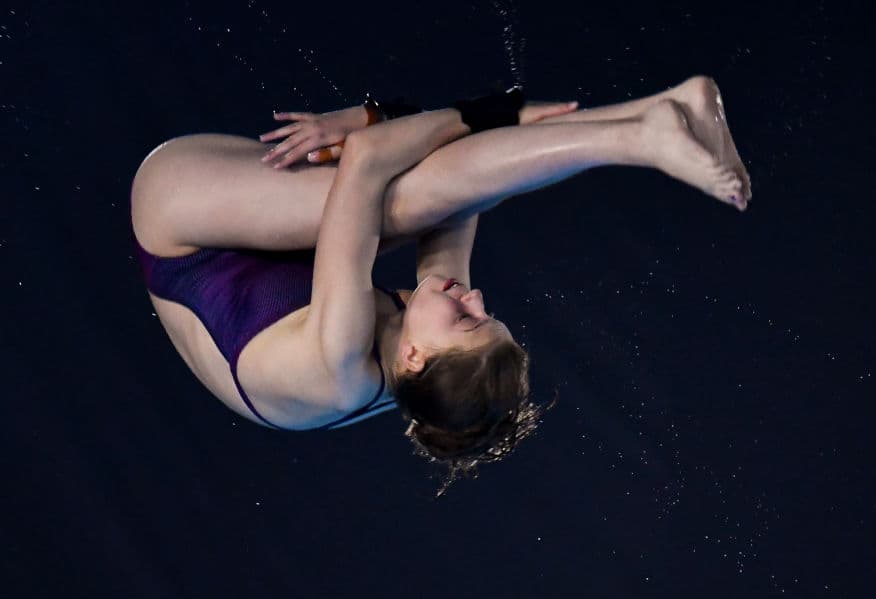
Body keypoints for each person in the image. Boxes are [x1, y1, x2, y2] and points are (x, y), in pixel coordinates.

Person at [129, 76, 752, 495]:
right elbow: (463, 201)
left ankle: (640, 135)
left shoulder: (337, 361)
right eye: (483, 311)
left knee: (402, 199)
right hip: (271, 252)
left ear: (413, 355)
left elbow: (370, 156)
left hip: (182, 220)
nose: (474, 296)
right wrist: (497, 130)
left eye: (468, 317)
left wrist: (488, 116)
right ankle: (667, 108)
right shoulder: (428, 360)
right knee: (428, 198)